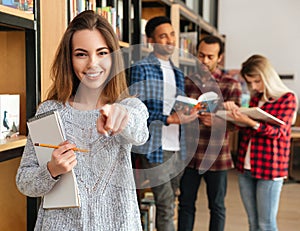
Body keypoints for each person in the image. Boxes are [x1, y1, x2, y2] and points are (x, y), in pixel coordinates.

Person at [16, 10, 149, 230]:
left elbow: (140, 133)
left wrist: (121, 117)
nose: (92, 64)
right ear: (68, 59)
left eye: (102, 52)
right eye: (81, 54)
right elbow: (24, 182)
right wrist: (52, 169)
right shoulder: (50, 111)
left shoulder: (129, 107)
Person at [130, 16, 198, 231]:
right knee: (165, 202)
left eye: (172, 34)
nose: (170, 40)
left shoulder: (178, 72)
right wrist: (168, 118)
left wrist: (190, 111)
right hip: (154, 146)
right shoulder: (141, 68)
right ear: (151, 40)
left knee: (172, 200)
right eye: (163, 36)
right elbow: (134, 108)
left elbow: (178, 104)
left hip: (177, 145)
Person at [223, 54, 298, 231]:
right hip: (246, 166)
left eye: (257, 81)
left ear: (267, 77)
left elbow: (279, 132)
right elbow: (248, 131)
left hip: (270, 169)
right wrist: (235, 115)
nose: (254, 87)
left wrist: (251, 122)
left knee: (266, 224)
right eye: (251, 83)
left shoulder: (287, 98)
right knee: (253, 222)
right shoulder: (256, 98)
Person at [178, 35, 242, 231]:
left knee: (217, 206)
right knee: (185, 205)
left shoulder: (231, 84)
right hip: (190, 155)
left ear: (219, 57)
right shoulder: (187, 81)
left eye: (210, 57)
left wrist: (218, 122)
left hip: (217, 157)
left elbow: (238, 123)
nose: (204, 61)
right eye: (201, 55)